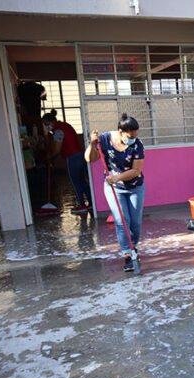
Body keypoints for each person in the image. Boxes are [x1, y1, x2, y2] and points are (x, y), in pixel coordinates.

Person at [85, 113, 146, 272]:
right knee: (121, 220)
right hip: (114, 189)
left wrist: (117, 177)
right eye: (130, 135)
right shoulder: (105, 140)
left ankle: (133, 246)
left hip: (135, 187)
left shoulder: (137, 145)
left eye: (135, 134)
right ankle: (128, 254)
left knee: (135, 223)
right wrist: (92, 144)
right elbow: (90, 159)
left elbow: (136, 170)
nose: (133, 137)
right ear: (120, 131)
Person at [43, 110, 92, 214]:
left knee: (76, 182)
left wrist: (49, 158)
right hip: (80, 155)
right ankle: (91, 204)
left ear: (50, 123)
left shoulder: (58, 130)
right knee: (83, 181)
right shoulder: (65, 125)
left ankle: (82, 205)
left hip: (72, 158)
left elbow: (57, 150)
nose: (46, 127)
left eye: (45, 124)